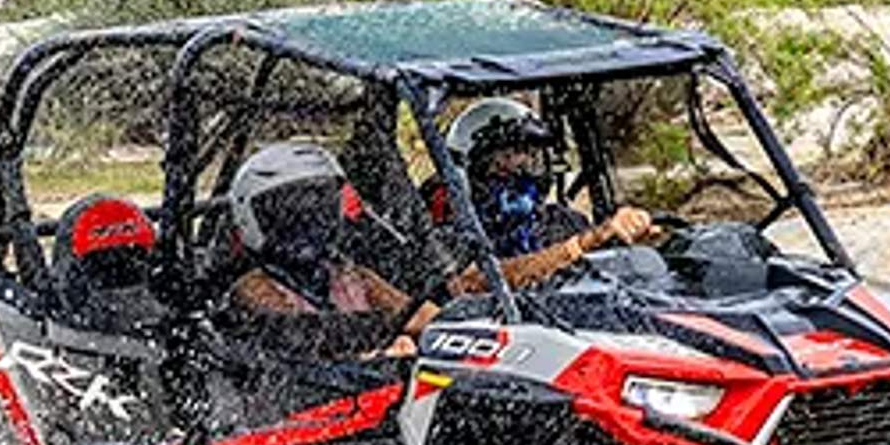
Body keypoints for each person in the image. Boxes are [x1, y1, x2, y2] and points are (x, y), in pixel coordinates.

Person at [221, 141, 432, 358]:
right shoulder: (252, 287)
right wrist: (388, 337)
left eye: (317, 208)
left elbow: (416, 315)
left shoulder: (350, 276)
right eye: (289, 212)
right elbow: (308, 335)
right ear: (251, 218)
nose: (307, 222)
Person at [440, 96, 655, 294]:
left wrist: (632, 235)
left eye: (531, 156)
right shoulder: (454, 234)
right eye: (505, 159)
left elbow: (605, 269)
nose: (521, 167)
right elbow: (471, 282)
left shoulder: (563, 222)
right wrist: (581, 246)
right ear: (471, 169)